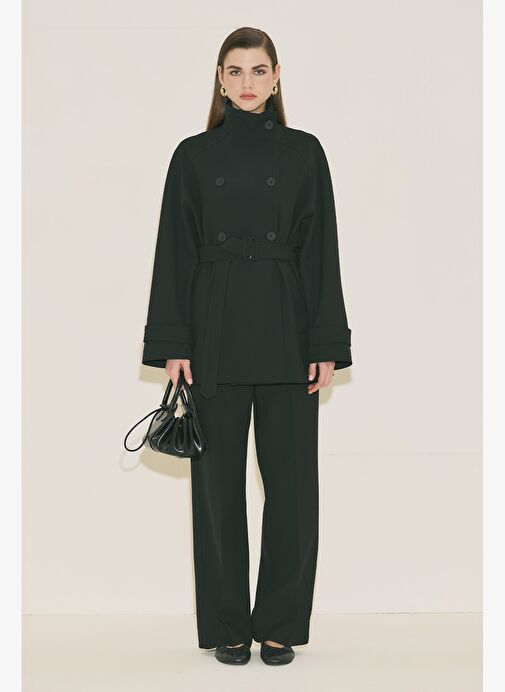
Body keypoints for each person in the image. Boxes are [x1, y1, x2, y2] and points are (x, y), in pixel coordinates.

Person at [141, 27, 352, 666]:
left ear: (277, 76)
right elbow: (174, 251)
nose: (247, 83)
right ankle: (228, 624)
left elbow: (321, 252)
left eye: (259, 70)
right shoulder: (192, 156)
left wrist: (324, 342)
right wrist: (174, 341)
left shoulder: (304, 153)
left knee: (293, 488)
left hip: (288, 331)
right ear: (220, 79)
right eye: (235, 71)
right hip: (214, 332)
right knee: (216, 490)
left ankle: (280, 622)